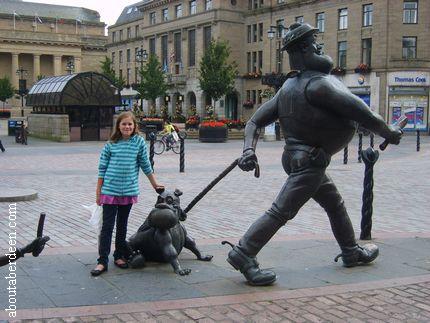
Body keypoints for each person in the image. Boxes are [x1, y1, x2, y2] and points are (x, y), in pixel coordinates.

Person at [225, 22, 403, 286]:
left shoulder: (287, 88)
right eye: (314, 45)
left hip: (302, 158)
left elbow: (254, 122)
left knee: (334, 204)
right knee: (280, 211)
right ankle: (243, 253)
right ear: (303, 51)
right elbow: (364, 114)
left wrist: (249, 149)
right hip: (309, 161)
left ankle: (351, 251)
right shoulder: (319, 86)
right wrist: (390, 133)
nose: (320, 48)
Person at [92, 111, 164, 276]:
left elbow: (145, 165)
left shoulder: (138, 142)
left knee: (122, 226)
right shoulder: (111, 144)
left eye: (130, 124)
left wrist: (155, 184)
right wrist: (98, 192)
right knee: (107, 227)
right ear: (118, 126)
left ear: (134, 126)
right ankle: (102, 261)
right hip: (110, 191)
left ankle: (119, 255)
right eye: (124, 124)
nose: (127, 127)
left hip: (128, 191)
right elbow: (102, 169)